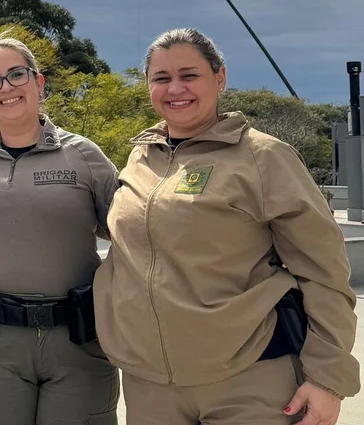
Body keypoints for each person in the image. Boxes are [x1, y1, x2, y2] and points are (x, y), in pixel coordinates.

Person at [93, 28, 360, 425]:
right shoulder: (141, 158)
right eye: (161, 78)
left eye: (189, 75)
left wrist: (327, 377)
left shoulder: (264, 157)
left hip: (248, 379)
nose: (175, 88)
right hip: (150, 385)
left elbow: (324, 271)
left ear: (219, 78)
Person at [0, 34, 120, 425]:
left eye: (17, 74)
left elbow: (128, 232)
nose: (6, 87)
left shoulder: (84, 156)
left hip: (77, 340)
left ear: (38, 81)